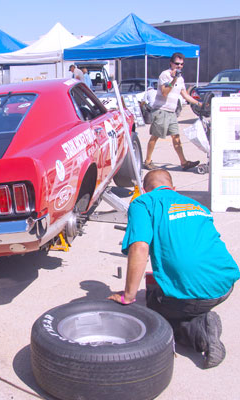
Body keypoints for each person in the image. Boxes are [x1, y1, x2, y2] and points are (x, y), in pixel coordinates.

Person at [109, 169, 239, 369]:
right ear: (174, 188)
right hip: (226, 282)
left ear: (145, 190)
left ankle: (200, 331)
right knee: (170, 289)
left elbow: (140, 247)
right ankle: (197, 310)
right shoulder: (197, 205)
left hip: (197, 295)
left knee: (154, 306)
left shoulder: (144, 202)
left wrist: (128, 295)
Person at [144, 53, 203, 171]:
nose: (179, 66)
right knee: (155, 137)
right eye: (177, 64)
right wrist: (174, 78)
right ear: (171, 63)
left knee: (176, 137)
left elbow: (185, 95)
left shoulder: (181, 79)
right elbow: (165, 92)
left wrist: (198, 103)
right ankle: (148, 161)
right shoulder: (165, 75)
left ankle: (184, 162)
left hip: (172, 112)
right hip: (161, 110)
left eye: (181, 64)